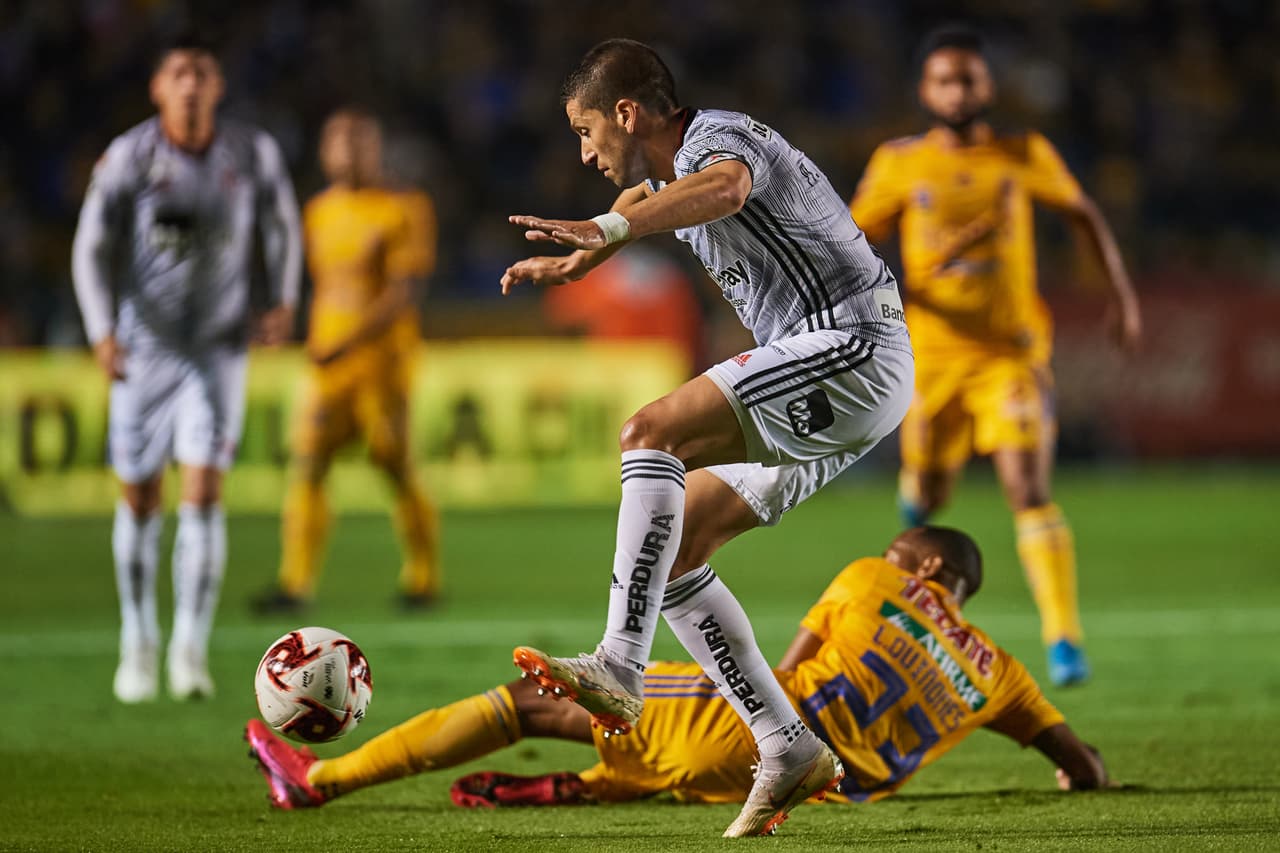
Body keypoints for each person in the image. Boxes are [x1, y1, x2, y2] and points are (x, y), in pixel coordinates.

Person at [497, 39, 914, 836]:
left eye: (587, 131)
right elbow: (670, 199)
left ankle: (620, 661)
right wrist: (582, 261)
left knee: (649, 431)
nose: (585, 153)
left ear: (627, 112)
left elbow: (722, 189)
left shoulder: (718, 139)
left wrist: (605, 225)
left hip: (852, 344)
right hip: (842, 372)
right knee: (679, 541)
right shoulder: (669, 175)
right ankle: (784, 743)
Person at [245, 527, 1110, 829]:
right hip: (827, 790)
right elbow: (1082, 766)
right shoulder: (1005, 672)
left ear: (921, 562)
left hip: (760, 733)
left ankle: (320, 779)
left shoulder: (878, 578)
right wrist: (1075, 770)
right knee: (658, 739)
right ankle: (598, 783)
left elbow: (786, 671)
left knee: (539, 698)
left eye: (901, 553)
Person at [847, 27, 1143, 687]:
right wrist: (904, 280)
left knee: (1027, 488)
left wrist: (1122, 295)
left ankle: (1064, 639)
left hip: (1010, 355)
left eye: (969, 79)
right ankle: (909, 555)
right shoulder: (899, 163)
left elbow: (1083, 214)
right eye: (945, 79)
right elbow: (852, 241)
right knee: (929, 493)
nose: (958, 91)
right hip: (931, 357)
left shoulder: (1022, 153)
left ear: (987, 87)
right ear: (925, 91)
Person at [71, 32, 301, 703]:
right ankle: (137, 638)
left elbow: (282, 225)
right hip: (145, 348)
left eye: (203, 72)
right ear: (159, 88)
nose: (192, 84)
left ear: (219, 86)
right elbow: (91, 244)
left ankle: (188, 650)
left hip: (218, 348)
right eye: (179, 73)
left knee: (202, 491)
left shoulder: (249, 151)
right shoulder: (130, 156)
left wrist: (283, 300)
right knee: (140, 496)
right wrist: (100, 329)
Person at [251, 108, 441, 614]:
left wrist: (347, 340)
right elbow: (326, 288)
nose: (350, 151)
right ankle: (295, 583)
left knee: (394, 466)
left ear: (376, 149)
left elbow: (403, 293)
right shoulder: (318, 211)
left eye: (361, 141)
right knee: (308, 465)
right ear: (324, 152)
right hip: (326, 364)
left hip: (382, 363)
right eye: (340, 142)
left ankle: (423, 578)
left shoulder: (403, 208)